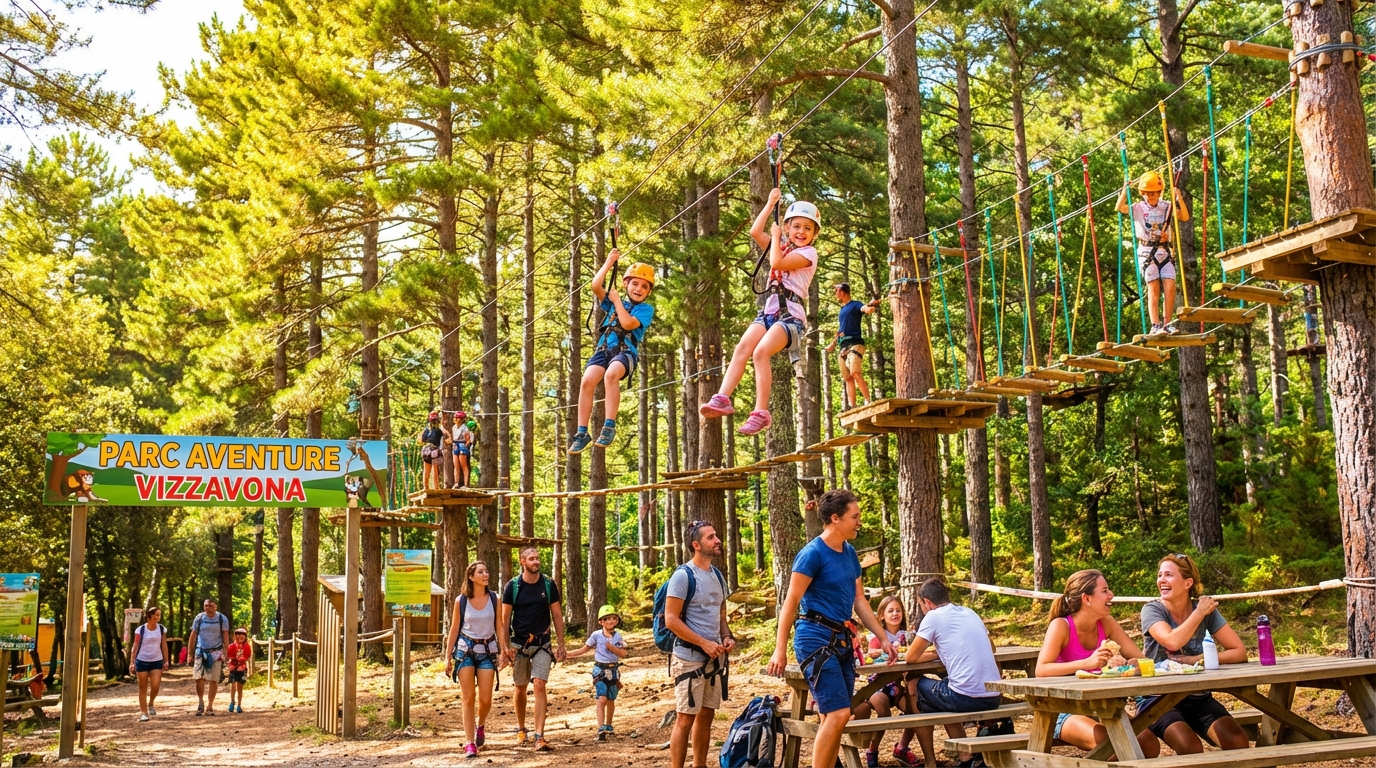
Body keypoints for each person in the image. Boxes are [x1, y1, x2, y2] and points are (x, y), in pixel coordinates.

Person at [768, 490, 895, 768]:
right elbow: (790, 603)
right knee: (838, 713)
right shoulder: (812, 554)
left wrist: (883, 637)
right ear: (835, 519)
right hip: (814, 637)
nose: (859, 522)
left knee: (833, 715)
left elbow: (859, 599)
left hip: (841, 638)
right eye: (855, 516)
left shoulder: (849, 553)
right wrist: (780, 649)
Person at [700, 188, 820, 435]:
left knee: (761, 352)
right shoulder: (782, 245)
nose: (801, 232)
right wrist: (770, 203)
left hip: (790, 317)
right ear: (787, 228)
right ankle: (722, 398)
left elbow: (776, 263)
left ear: (814, 235)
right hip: (768, 313)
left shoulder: (808, 254)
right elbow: (755, 232)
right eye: (796, 226)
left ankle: (761, 413)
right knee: (742, 349)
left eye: (808, 228)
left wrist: (776, 238)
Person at [1035, 570, 1159, 759]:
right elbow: (1041, 670)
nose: (1111, 595)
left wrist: (1127, 664)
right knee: (1113, 744)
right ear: (1086, 598)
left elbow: (1143, 661)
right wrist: (1086, 663)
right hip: (1061, 711)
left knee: (1148, 742)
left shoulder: (1107, 623)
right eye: (1105, 591)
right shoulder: (1061, 626)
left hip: (1102, 707)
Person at [1139, 554, 1250, 755]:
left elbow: (1239, 652)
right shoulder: (1152, 610)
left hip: (1197, 697)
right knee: (1190, 747)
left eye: (1169, 575)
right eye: (1160, 575)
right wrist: (1198, 613)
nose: (1161, 580)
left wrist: (1197, 660)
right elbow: (1172, 640)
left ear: (1187, 582)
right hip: (1157, 698)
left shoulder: (1206, 611)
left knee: (1238, 741)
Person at [903, 579, 1002, 768]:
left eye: (921, 605)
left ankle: (930, 762)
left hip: (965, 697)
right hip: (993, 696)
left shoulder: (933, 617)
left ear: (927, 602)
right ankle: (966, 758)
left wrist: (934, 652)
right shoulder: (969, 612)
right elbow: (992, 648)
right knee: (944, 689)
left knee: (913, 683)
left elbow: (910, 657)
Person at [569, 249, 655, 453]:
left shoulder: (645, 310)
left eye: (644, 286)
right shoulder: (617, 300)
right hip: (604, 349)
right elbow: (595, 286)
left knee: (611, 375)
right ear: (626, 284)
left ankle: (609, 425)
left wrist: (616, 301)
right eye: (634, 283)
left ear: (648, 292)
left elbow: (626, 323)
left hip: (625, 353)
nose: (639, 289)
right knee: (587, 381)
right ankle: (582, 431)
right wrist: (609, 262)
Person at [666, 520, 736, 768]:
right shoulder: (683, 576)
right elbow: (671, 619)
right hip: (688, 658)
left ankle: (700, 765)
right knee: (685, 718)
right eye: (710, 537)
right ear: (696, 545)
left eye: (716, 535)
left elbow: (721, 616)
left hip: (714, 659)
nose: (717, 540)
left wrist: (727, 637)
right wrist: (704, 643)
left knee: (706, 715)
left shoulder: (717, 575)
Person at [500, 547, 567, 752]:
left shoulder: (548, 585)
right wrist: (504, 647)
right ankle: (521, 729)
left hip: (542, 644)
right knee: (520, 688)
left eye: (537, 558)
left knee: (539, 684)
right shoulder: (513, 586)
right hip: (518, 645)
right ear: (523, 561)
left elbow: (556, 614)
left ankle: (540, 736)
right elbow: (504, 619)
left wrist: (561, 643)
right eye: (531, 558)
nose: (536, 561)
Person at [1116, 170, 1190, 335]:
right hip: (1147, 252)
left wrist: (1179, 199)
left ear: (1159, 192)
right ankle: (1155, 325)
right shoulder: (1138, 208)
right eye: (1147, 193)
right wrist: (1124, 191)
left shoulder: (1167, 207)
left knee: (1170, 286)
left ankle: (1167, 323)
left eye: (1154, 193)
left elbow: (1184, 217)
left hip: (1165, 251)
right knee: (1153, 288)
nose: (1151, 196)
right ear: (1142, 193)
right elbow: (1120, 208)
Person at [446, 561, 506, 758]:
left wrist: (504, 649)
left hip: (487, 651)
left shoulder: (495, 598)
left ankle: (481, 725)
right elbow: (454, 629)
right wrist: (447, 657)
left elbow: (499, 625)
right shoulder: (460, 600)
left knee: (486, 699)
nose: (485, 574)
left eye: (487, 571)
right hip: (465, 651)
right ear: (471, 577)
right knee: (468, 698)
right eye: (481, 572)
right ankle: (470, 742)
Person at [852, 596, 920, 767]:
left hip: (897, 687)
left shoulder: (907, 636)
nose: (895, 614)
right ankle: (872, 750)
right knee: (884, 713)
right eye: (890, 611)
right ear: (881, 615)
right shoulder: (877, 637)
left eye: (898, 610)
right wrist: (873, 654)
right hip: (877, 687)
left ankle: (902, 748)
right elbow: (870, 658)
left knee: (917, 710)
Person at [566, 604, 628, 740]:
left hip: (614, 669)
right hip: (600, 669)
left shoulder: (618, 636)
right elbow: (584, 649)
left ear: (617, 620)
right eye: (606, 619)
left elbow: (624, 653)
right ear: (601, 622)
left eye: (613, 618)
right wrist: (567, 654)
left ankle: (609, 725)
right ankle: (601, 727)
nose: (610, 621)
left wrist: (612, 648)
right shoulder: (596, 635)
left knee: (611, 698)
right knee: (602, 698)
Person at [824, 283, 881, 409]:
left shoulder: (855, 304)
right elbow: (841, 329)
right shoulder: (842, 310)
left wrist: (869, 308)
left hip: (855, 343)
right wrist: (833, 343)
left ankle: (867, 400)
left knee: (855, 372)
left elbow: (864, 308)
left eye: (837, 291)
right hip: (842, 345)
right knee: (847, 378)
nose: (836, 293)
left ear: (844, 292)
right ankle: (852, 406)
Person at [187, 598, 230, 716]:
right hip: (200, 651)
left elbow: (225, 635)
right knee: (198, 678)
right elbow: (193, 634)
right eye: (206, 606)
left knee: (214, 679)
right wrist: (190, 654)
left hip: (216, 651)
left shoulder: (222, 619)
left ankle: (210, 705)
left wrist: (226, 652)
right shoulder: (199, 618)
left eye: (211, 606)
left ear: (215, 606)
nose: (208, 608)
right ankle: (200, 702)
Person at [128, 606, 169, 722]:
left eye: (159, 615)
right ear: (149, 616)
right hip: (142, 660)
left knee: (156, 685)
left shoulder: (161, 629)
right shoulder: (140, 630)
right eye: (156, 614)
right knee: (142, 688)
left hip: (156, 660)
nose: (158, 617)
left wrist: (166, 661)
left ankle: (151, 703)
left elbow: (164, 644)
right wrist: (132, 662)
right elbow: (135, 646)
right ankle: (144, 712)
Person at [225, 627, 252, 713]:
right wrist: (233, 662)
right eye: (238, 634)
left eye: (243, 634)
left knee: (240, 686)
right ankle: (232, 701)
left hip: (242, 668)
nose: (240, 636)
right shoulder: (231, 646)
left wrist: (241, 661)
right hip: (233, 667)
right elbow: (230, 655)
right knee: (233, 684)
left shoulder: (247, 646)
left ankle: (239, 704)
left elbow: (247, 656)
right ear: (235, 636)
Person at [419, 411, 444, 489]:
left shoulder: (426, 430)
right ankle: (436, 487)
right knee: (435, 469)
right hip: (434, 450)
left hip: (425, 450)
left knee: (426, 469)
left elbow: (422, 439)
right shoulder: (439, 431)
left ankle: (425, 486)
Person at [451, 411, 473, 488]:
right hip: (455, 445)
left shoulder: (465, 428)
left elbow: (468, 440)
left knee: (463, 465)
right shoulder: (454, 427)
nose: (456, 419)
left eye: (457, 418)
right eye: (455, 418)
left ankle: (466, 484)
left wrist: (466, 447)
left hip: (462, 445)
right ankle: (456, 483)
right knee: (456, 465)